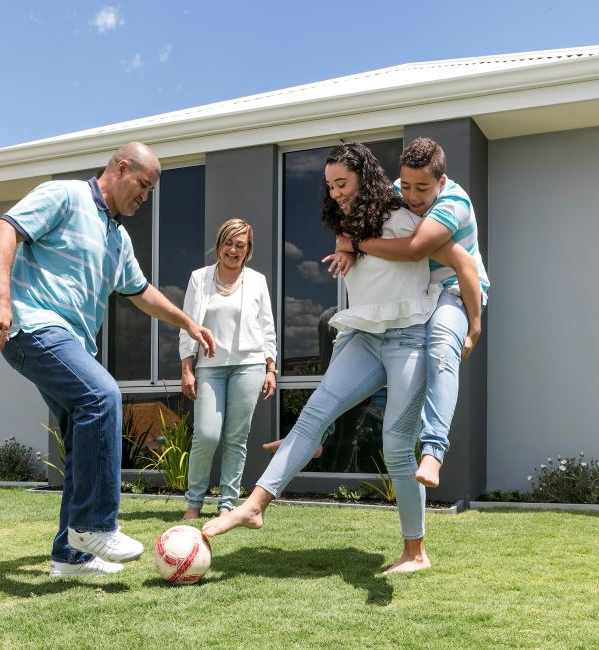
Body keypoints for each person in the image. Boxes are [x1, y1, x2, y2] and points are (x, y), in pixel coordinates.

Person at [203, 143, 480, 574]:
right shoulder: (349, 223)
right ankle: (254, 505)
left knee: (395, 445)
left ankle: (415, 552)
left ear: (363, 179)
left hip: (408, 337)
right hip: (365, 336)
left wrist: (475, 322)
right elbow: (352, 239)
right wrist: (348, 241)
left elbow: (460, 260)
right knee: (313, 413)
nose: (335, 193)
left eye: (342, 184)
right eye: (329, 185)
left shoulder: (402, 219)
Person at [0, 142, 216, 578]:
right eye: (142, 187)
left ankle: (69, 557)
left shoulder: (117, 237)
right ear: (121, 168)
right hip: (33, 325)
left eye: (150, 192)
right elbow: (2, 231)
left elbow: (141, 292)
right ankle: (94, 526)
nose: (144, 198)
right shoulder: (64, 197)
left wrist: (188, 322)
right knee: (102, 395)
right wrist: (0, 298)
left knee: (82, 440)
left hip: (70, 342)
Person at [333, 137, 488, 489]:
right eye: (405, 185)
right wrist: (344, 245)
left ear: (441, 182)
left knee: (441, 342)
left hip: (455, 291)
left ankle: (433, 452)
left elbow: (415, 249)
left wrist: (475, 326)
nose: (412, 195)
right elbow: (354, 215)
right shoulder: (396, 192)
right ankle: (316, 435)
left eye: (422, 187)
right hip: (419, 295)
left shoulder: (454, 202)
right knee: (347, 333)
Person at [179, 219, 277, 519]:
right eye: (229, 243)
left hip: (249, 365)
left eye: (241, 245)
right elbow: (188, 325)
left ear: (248, 250)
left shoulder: (257, 280)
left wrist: (271, 367)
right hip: (210, 366)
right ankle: (194, 502)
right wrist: (187, 367)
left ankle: (226, 505)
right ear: (219, 244)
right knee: (207, 435)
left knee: (236, 437)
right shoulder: (200, 278)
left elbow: (267, 327)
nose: (233, 249)